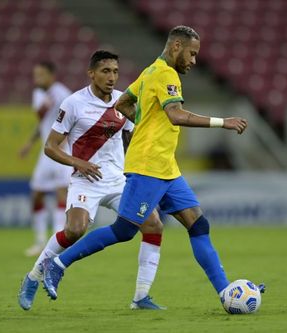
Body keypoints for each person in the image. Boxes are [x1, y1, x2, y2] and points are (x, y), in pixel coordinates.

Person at [41, 26, 253, 308]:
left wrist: (145, 124)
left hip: (166, 167)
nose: (193, 61)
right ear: (176, 46)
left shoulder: (151, 71)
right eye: (191, 54)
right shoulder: (165, 74)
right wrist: (221, 122)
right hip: (148, 165)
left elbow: (124, 102)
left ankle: (226, 293)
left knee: (198, 224)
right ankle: (58, 263)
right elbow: (176, 116)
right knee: (124, 231)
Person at [18, 50, 165, 311]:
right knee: (75, 230)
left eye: (116, 72)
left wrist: (140, 173)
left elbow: (131, 140)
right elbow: (51, 147)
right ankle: (33, 276)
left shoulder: (124, 101)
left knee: (153, 224)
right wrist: (79, 163)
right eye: (106, 71)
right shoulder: (73, 103)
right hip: (85, 180)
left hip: (119, 180)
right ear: (92, 74)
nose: (112, 77)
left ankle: (141, 296)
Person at [20, 61, 73, 256]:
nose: (37, 79)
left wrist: (68, 148)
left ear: (52, 75)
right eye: (35, 75)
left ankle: (57, 241)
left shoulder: (63, 95)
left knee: (62, 192)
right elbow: (43, 123)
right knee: (36, 194)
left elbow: (70, 122)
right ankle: (40, 241)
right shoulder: (38, 95)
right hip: (45, 152)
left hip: (61, 150)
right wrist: (29, 143)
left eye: (41, 75)